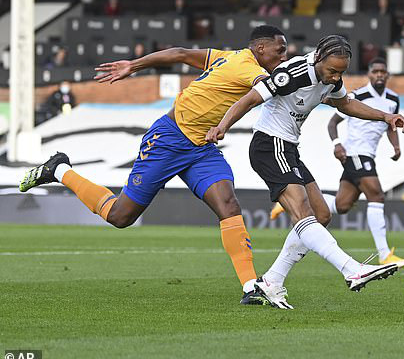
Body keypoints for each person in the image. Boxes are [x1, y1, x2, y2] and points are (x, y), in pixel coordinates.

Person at [19, 26, 289, 305]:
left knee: (229, 205)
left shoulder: (225, 57)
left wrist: (134, 65)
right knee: (120, 216)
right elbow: (270, 88)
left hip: (200, 148)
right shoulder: (247, 67)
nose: (283, 56)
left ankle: (250, 288)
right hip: (168, 140)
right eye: (280, 50)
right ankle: (60, 170)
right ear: (260, 49)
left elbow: (180, 53)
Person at [207, 35, 404, 309]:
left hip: (288, 148)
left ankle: (271, 282)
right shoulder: (291, 73)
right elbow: (250, 99)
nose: (335, 77)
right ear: (318, 58)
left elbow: (346, 104)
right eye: (332, 71)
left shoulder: (333, 80)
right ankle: (351, 269)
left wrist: (385, 117)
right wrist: (223, 126)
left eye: (341, 72)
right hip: (269, 145)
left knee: (322, 215)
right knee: (303, 212)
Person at [270, 57, 404, 267]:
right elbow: (334, 121)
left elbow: (391, 126)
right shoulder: (358, 95)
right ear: (369, 74)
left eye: (383, 71)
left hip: (368, 155)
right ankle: (384, 253)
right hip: (355, 153)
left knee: (342, 205)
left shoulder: (393, 99)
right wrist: (337, 144)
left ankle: (295, 201)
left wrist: (396, 146)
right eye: (375, 71)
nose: (379, 74)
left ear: (388, 75)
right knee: (376, 194)